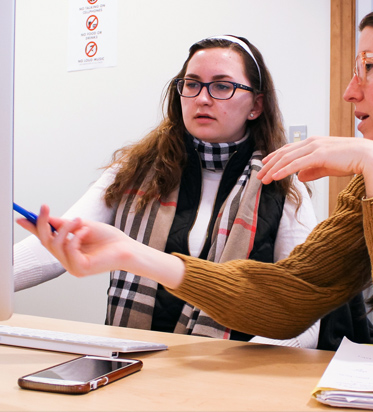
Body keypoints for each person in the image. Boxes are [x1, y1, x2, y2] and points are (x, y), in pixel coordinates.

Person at [24, 0, 373, 361]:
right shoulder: (135, 168)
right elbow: (291, 294)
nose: (350, 92)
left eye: (369, 68)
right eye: (192, 85)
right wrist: (136, 255)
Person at [14, 35, 323, 347]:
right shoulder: (133, 170)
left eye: (222, 86)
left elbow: (303, 316)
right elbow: (59, 242)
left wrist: (244, 369)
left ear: (256, 105)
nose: (202, 98)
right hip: (132, 365)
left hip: (233, 375)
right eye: (192, 84)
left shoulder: (283, 181)